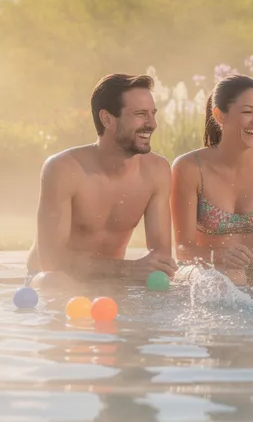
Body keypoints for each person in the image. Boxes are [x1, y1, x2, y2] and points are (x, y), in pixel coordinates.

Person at [26, 74, 178, 286]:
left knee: (162, 286)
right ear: (107, 119)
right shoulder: (64, 169)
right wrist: (129, 269)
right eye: (140, 114)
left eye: (153, 114)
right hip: (54, 279)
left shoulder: (156, 170)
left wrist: (149, 272)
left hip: (110, 280)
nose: (152, 124)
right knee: (54, 282)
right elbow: (52, 261)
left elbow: (161, 259)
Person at [171, 74, 253, 286]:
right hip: (204, 270)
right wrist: (220, 256)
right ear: (220, 115)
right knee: (232, 277)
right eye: (247, 112)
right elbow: (183, 248)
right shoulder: (189, 167)